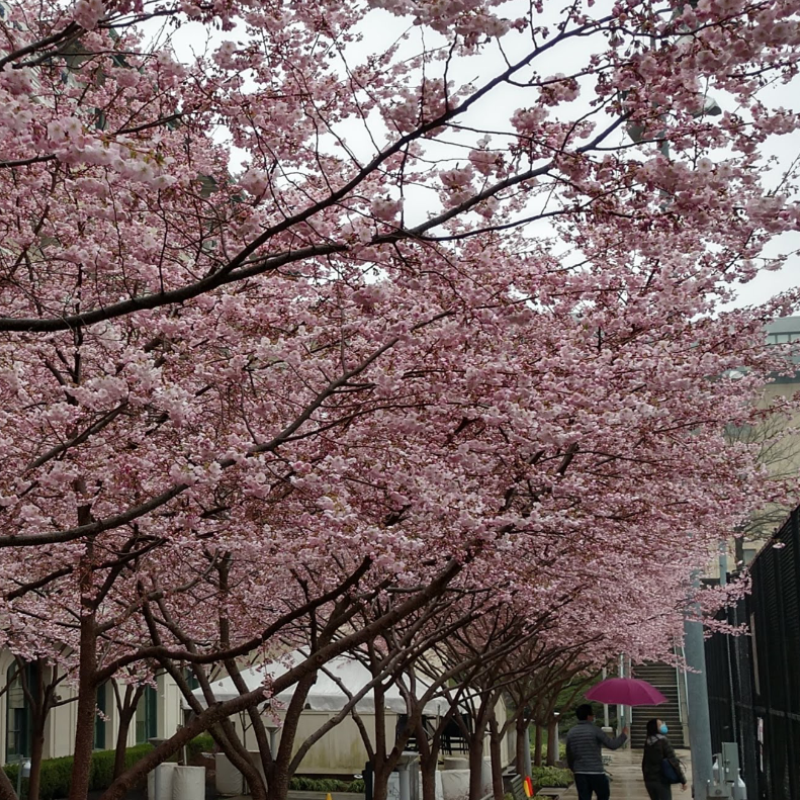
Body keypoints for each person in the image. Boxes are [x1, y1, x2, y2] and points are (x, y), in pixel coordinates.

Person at [565, 703, 628, 800]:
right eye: (592, 714)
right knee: (603, 795)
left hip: (579, 772)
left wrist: (574, 768)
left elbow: (569, 754)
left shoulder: (571, 732)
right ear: (588, 716)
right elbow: (612, 745)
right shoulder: (595, 730)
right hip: (596, 772)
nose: (594, 716)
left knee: (583, 797)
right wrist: (623, 735)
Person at [641, 718, 688, 800]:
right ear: (655, 728)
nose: (663, 725)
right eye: (660, 724)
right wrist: (682, 780)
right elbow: (673, 761)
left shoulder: (648, 742)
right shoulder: (663, 741)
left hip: (649, 780)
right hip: (661, 780)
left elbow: (644, 762)